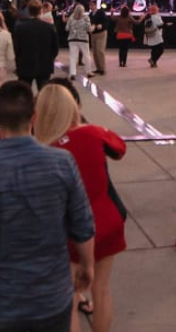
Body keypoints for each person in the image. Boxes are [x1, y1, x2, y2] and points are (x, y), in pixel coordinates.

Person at [0, 82, 96, 332]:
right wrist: (87, 265)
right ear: (34, 117)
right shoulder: (62, 163)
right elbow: (83, 225)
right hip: (53, 298)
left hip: (4, 303)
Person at [34, 85, 127, 332]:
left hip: (69, 231)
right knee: (102, 290)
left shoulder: (44, 149)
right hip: (106, 221)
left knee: (69, 300)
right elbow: (120, 148)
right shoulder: (93, 133)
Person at [13, 0, 60, 91]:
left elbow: (17, 48)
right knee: (43, 92)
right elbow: (55, 48)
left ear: (29, 11)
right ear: (40, 11)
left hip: (25, 64)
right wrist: (50, 58)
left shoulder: (20, 28)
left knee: (24, 92)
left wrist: (19, 61)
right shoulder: (50, 28)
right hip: (45, 64)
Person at [66, 5, 92, 81]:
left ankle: (72, 73)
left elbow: (67, 28)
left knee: (73, 57)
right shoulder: (86, 17)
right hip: (83, 39)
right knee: (86, 56)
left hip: (72, 39)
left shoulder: (71, 17)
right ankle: (88, 72)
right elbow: (89, 28)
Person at [89, 4, 109, 75]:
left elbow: (106, 22)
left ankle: (102, 68)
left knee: (100, 50)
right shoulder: (90, 14)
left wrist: (102, 26)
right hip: (93, 34)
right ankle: (98, 68)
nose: (90, 7)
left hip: (101, 33)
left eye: (92, 5)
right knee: (95, 52)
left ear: (95, 5)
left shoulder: (101, 12)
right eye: (90, 5)